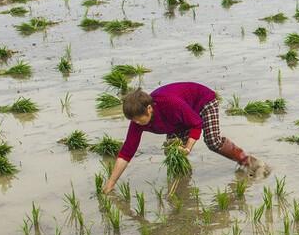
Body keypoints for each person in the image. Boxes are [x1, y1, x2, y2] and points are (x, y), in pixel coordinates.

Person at [101, 82, 265, 194]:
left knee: (213, 141)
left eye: (138, 119)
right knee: (172, 151)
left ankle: (249, 162)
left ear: (149, 109)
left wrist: (187, 148)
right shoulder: (137, 120)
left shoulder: (169, 104)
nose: (136, 123)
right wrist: (111, 183)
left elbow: (195, 123)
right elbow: (127, 152)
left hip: (203, 102)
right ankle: (183, 185)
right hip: (179, 118)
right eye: (133, 120)